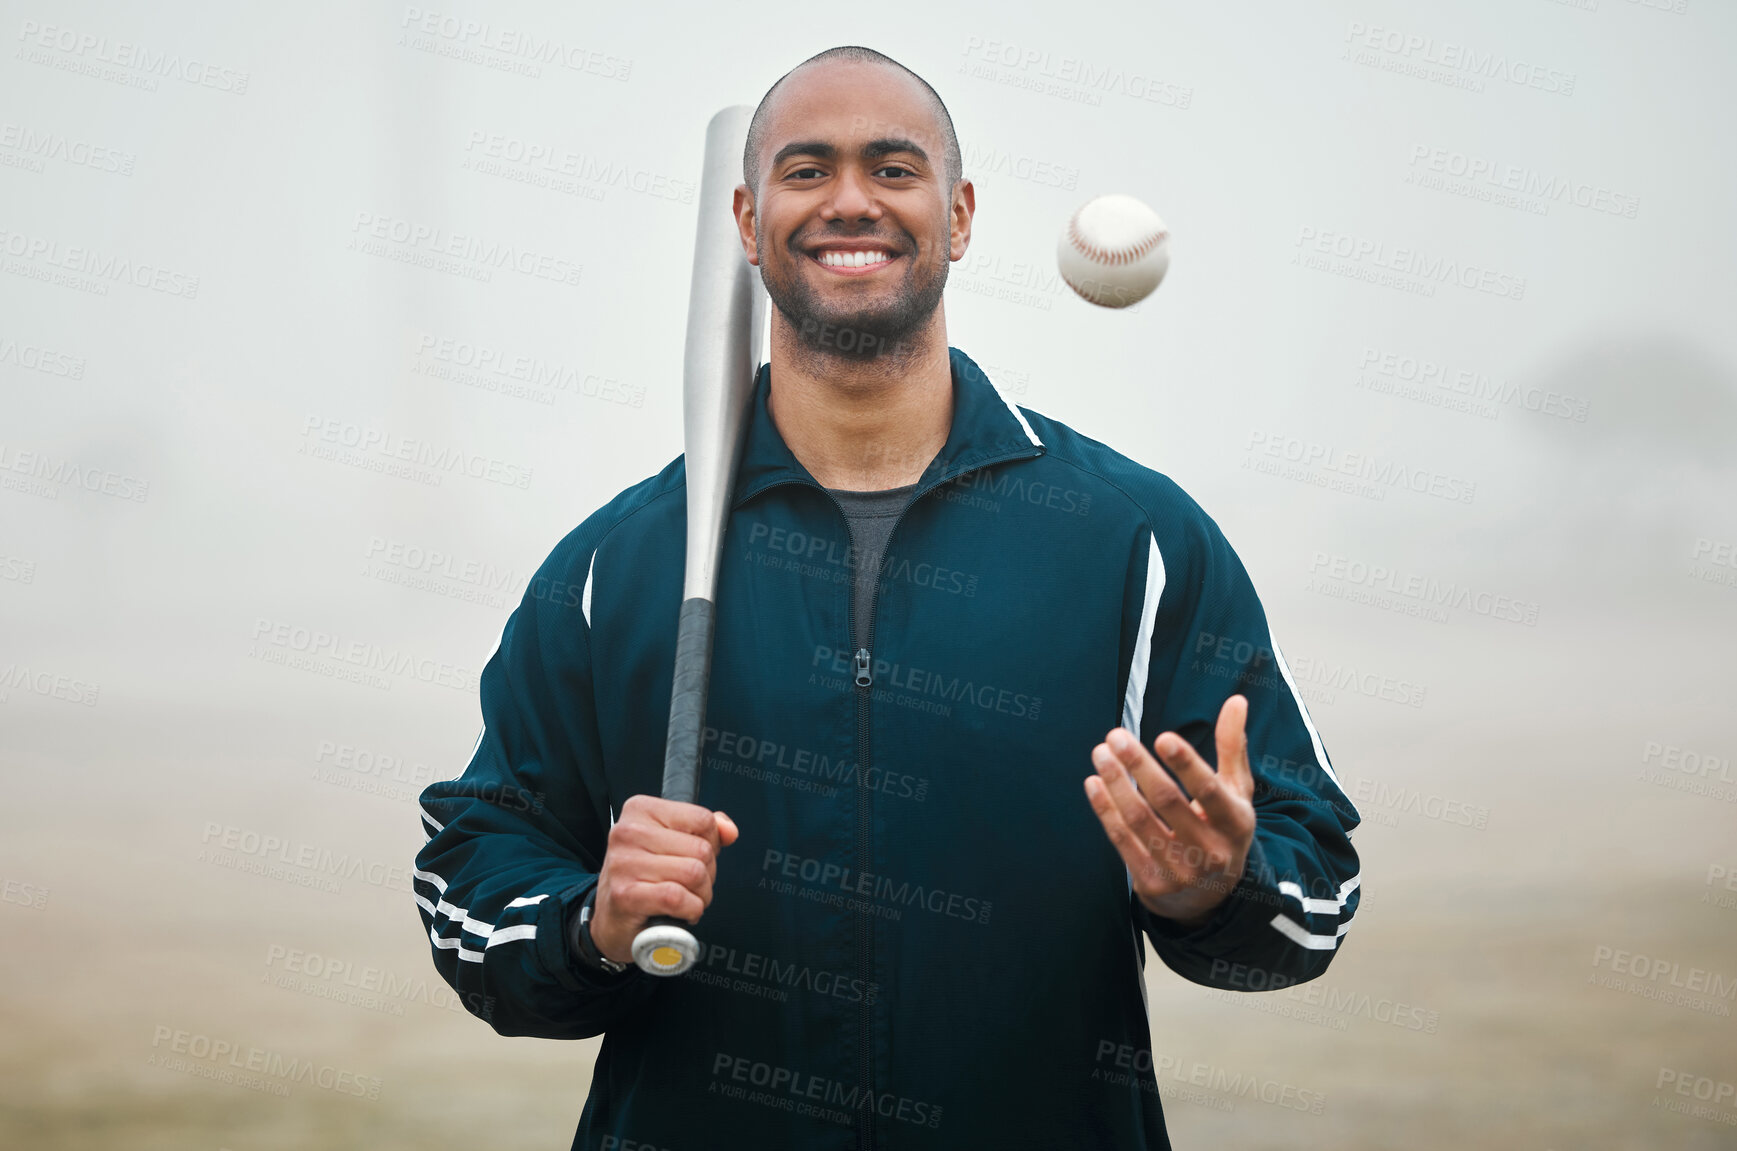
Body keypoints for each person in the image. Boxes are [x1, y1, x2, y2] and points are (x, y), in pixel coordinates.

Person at [415, 45, 1361, 1150]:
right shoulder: (617, 566)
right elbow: (474, 869)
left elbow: (1314, 880)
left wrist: (1221, 887)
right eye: (807, 169)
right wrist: (593, 923)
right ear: (745, 215)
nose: (851, 200)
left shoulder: (1131, 539)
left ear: (959, 215)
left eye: (894, 168)